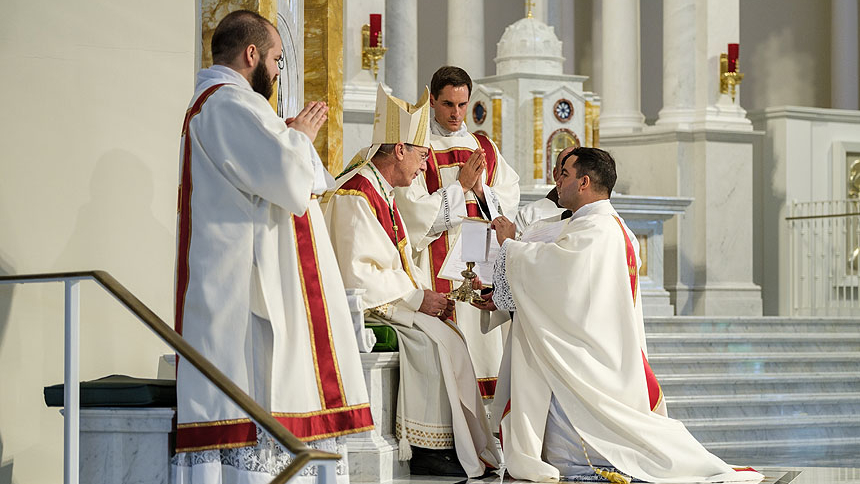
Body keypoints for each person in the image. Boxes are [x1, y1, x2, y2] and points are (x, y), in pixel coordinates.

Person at [478, 147, 763, 483]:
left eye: (565, 175)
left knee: (592, 439)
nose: (559, 182)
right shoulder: (604, 226)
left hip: (585, 358)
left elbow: (557, 278)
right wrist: (505, 292)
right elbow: (563, 285)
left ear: (584, 182)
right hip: (594, 344)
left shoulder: (597, 230)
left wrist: (510, 246)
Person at [171, 10, 371, 483]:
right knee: (256, 396)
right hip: (245, 293)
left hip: (252, 282)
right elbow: (288, 180)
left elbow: (311, 181)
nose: (279, 71)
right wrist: (299, 138)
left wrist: (291, 139)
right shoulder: (227, 105)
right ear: (252, 54)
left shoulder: (231, 105)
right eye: (278, 59)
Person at [323, 85, 500, 478]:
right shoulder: (357, 193)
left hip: (387, 297)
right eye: (421, 156)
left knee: (446, 334)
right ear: (399, 150)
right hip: (363, 304)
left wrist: (425, 294)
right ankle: (424, 446)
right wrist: (417, 297)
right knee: (432, 339)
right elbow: (356, 273)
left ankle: (447, 442)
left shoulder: (379, 190)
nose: (424, 167)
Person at [394, 66, 520, 403]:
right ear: (432, 100)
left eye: (462, 105)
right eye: (448, 104)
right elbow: (412, 212)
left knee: (485, 356)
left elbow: (508, 201)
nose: (456, 114)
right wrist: (459, 186)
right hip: (436, 271)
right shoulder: (419, 147)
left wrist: (481, 192)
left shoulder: (485, 148)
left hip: (481, 270)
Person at [514, 146, 571, 233]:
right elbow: (513, 244)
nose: (571, 181)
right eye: (565, 174)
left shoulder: (593, 213)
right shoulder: (529, 214)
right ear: (555, 174)